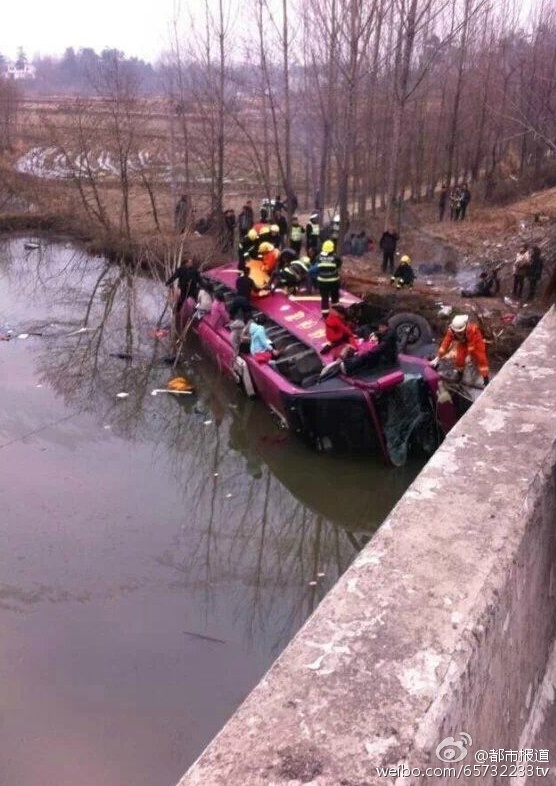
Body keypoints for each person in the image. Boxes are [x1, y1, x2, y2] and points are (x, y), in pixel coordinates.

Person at [431, 314, 490, 386]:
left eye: (460, 331)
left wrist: (469, 355)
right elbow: (445, 343)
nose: (458, 333)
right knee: (459, 358)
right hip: (463, 342)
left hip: (476, 341)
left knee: (481, 358)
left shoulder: (471, 330)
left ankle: (486, 379)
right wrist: (438, 357)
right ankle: (459, 374)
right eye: (457, 332)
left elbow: (471, 345)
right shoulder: (451, 331)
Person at [315, 239, 342, 317]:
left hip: (322, 281)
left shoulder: (318, 257)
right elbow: (339, 264)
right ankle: (336, 311)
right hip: (334, 281)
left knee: (324, 298)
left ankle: (325, 315)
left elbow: (317, 266)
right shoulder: (335, 257)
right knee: (335, 295)